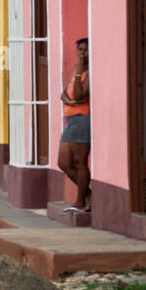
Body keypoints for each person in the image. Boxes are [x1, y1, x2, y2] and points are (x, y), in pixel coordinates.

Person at [57, 37, 91, 212]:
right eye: (80, 50)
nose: (82, 53)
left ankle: (80, 202)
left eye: (86, 50)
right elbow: (63, 94)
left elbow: (78, 95)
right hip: (70, 121)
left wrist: (78, 73)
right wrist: (69, 102)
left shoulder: (88, 73)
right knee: (63, 162)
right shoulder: (78, 72)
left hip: (82, 119)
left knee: (79, 162)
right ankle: (89, 195)